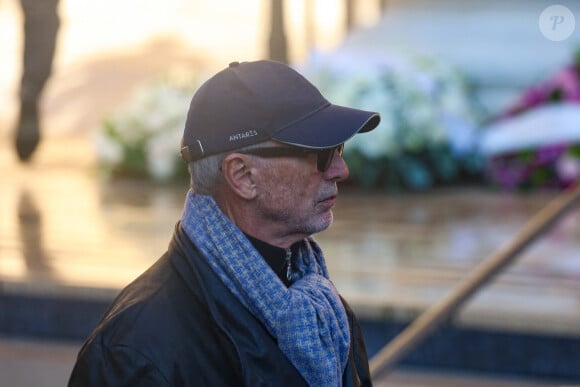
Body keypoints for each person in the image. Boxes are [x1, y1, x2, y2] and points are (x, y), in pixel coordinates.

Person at [68, 60, 380, 386]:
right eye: (320, 153)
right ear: (243, 176)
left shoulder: (322, 308)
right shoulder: (134, 356)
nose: (340, 170)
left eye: (338, 148)